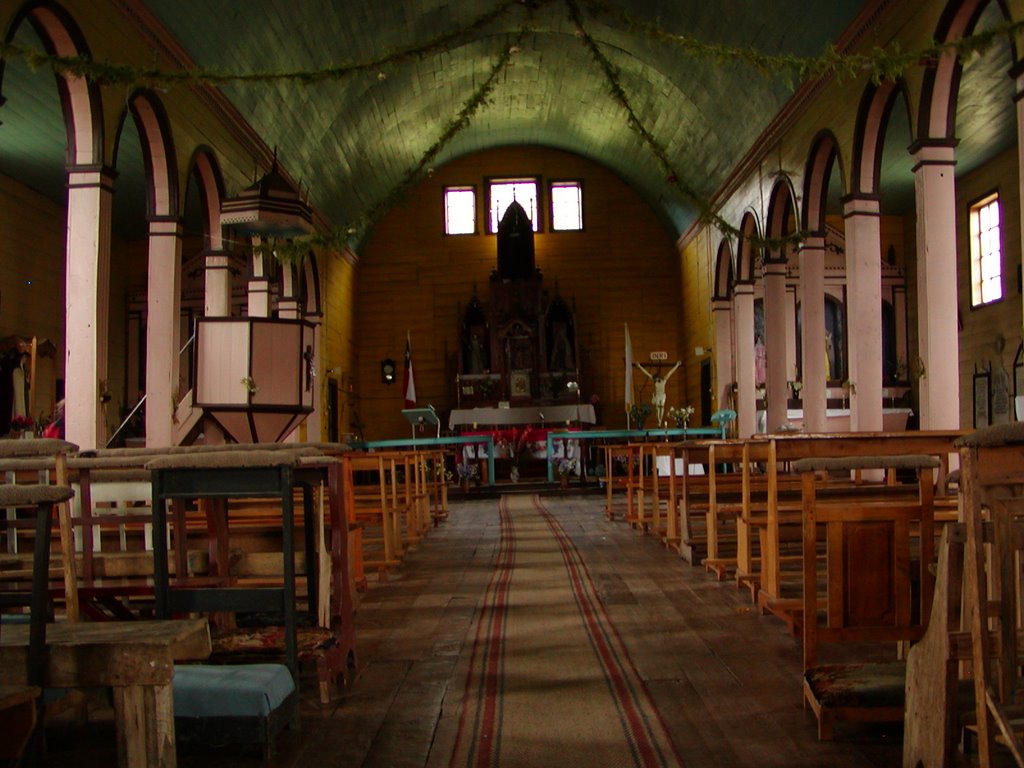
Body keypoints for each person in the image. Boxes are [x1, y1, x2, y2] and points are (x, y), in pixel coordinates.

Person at [636, 360, 681, 427]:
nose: (656, 380)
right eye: (656, 379)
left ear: (659, 377)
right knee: (657, 409)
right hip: (657, 395)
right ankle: (659, 421)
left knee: (661, 407)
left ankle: (660, 419)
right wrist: (639, 366)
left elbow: (671, 372)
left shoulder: (664, 379)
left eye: (657, 378)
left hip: (662, 395)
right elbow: (646, 373)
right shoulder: (655, 380)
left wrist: (677, 365)